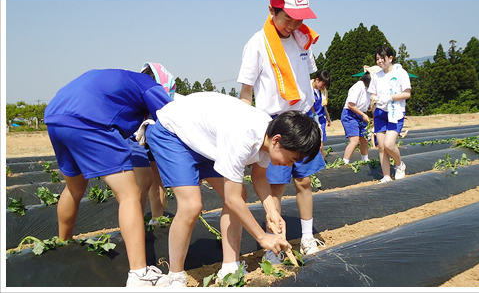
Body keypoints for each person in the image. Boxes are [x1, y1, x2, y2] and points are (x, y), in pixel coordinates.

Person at [144, 92, 321, 287]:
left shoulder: (267, 137)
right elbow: (231, 199)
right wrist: (262, 237)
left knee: (241, 194)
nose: (289, 165)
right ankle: (175, 276)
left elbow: (259, 177)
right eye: (292, 159)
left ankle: (230, 266)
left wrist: (272, 212)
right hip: (173, 133)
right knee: (191, 205)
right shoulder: (243, 135)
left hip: (203, 140)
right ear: (277, 140)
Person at [44, 68, 172, 287]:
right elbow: (171, 119)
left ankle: (63, 246)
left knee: (74, 188)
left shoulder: (118, 78)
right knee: (130, 194)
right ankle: (140, 275)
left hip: (55, 117)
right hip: (89, 121)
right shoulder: (148, 85)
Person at [237, 0, 326, 261]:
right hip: (275, 124)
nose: (294, 25)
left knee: (305, 181)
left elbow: (307, 84)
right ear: (271, 11)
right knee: (274, 188)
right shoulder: (257, 44)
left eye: (299, 19)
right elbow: (246, 93)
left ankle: (307, 237)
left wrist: (316, 127)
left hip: (304, 120)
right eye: (288, 18)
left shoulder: (302, 39)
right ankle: (274, 248)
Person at [128, 62, 176, 223]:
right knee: (143, 181)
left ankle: (157, 219)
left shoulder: (163, 94)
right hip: (137, 137)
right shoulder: (139, 91)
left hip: (155, 135)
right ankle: (137, 222)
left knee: (157, 180)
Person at [368, 45, 411, 184]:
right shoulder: (377, 76)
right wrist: (373, 99)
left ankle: (399, 165)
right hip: (380, 112)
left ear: (390, 58)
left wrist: (391, 97)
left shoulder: (400, 73)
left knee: (389, 145)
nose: (380, 61)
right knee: (381, 146)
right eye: (377, 59)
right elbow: (373, 93)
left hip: (395, 112)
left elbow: (407, 94)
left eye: (382, 58)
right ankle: (386, 175)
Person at [341, 71, 372, 164]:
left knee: (364, 139)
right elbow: (351, 104)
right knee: (354, 140)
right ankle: (345, 162)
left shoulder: (369, 89)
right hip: (350, 114)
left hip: (361, 114)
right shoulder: (359, 86)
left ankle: (365, 159)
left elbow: (368, 105)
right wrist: (363, 115)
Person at [310, 70, 332, 158]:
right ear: (317, 80)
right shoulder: (309, 89)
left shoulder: (322, 91)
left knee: (321, 144)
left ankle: (321, 163)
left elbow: (324, 105)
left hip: (321, 119)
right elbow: (310, 104)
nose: (323, 87)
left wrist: (328, 117)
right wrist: (314, 116)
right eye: (323, 84)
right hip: (311, 118)